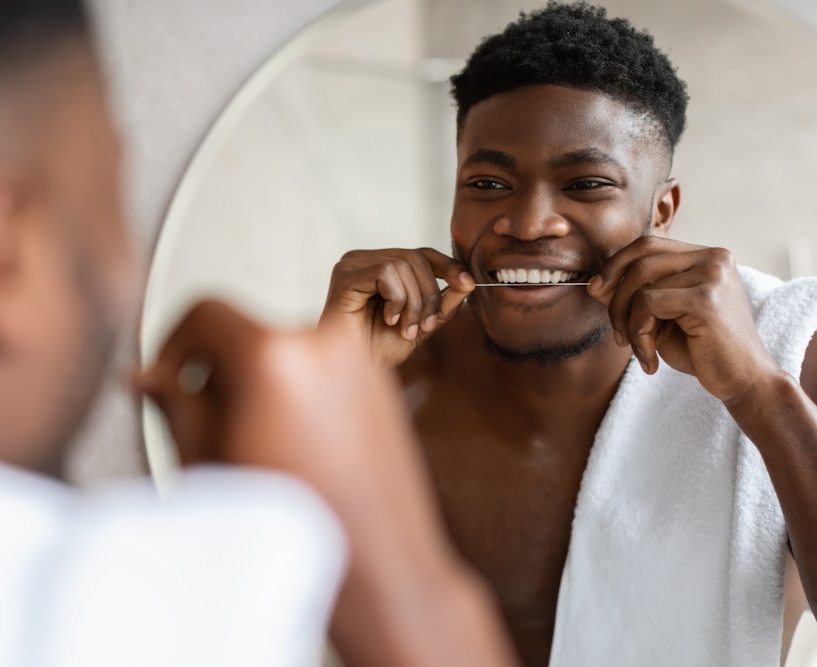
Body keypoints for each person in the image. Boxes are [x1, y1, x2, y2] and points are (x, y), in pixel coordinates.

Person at [0, 1, 520, 666]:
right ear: (7, 255)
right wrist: (401, 581)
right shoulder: (97, 618)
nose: (130, 270)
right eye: (112, 199)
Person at [319, 3, 817, 667]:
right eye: (487, 182)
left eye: (586, 184)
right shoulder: (394, 373)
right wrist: (325, 384)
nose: (528, 223)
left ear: (662, 210)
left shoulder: (786, 348)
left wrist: (758, 390)